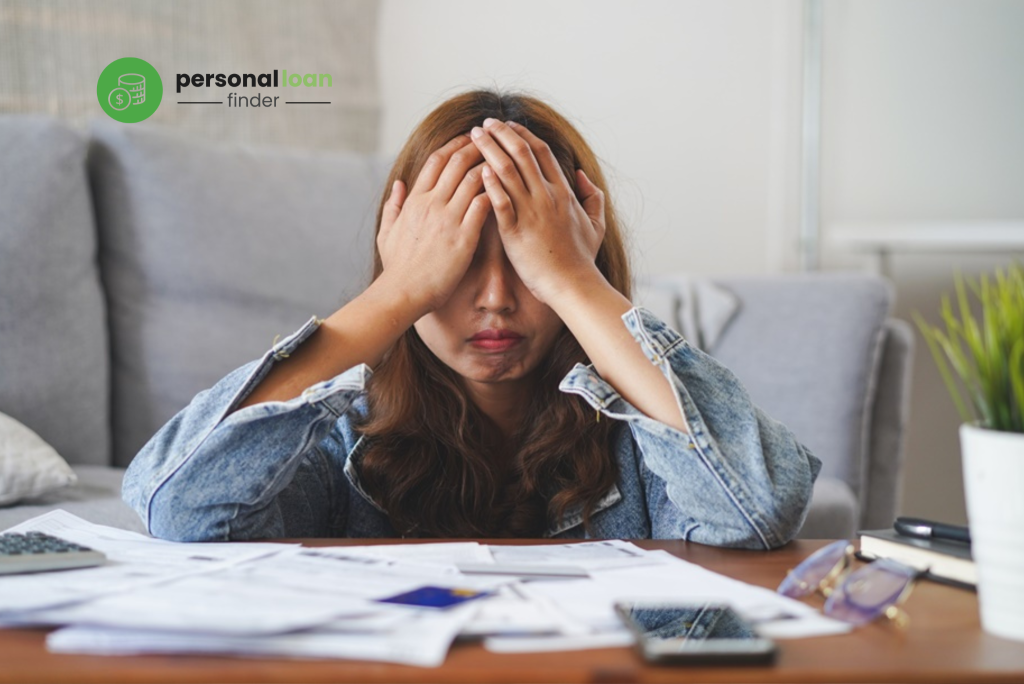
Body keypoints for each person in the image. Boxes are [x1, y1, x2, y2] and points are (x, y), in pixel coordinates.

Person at [122, 88, 822, 548]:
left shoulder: (645, 444)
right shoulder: (339, 440)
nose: (493, 298)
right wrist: (396, 294)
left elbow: (756, 509)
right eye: (456, 264)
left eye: (526, 263)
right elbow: (181, 508)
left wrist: (577, 280)